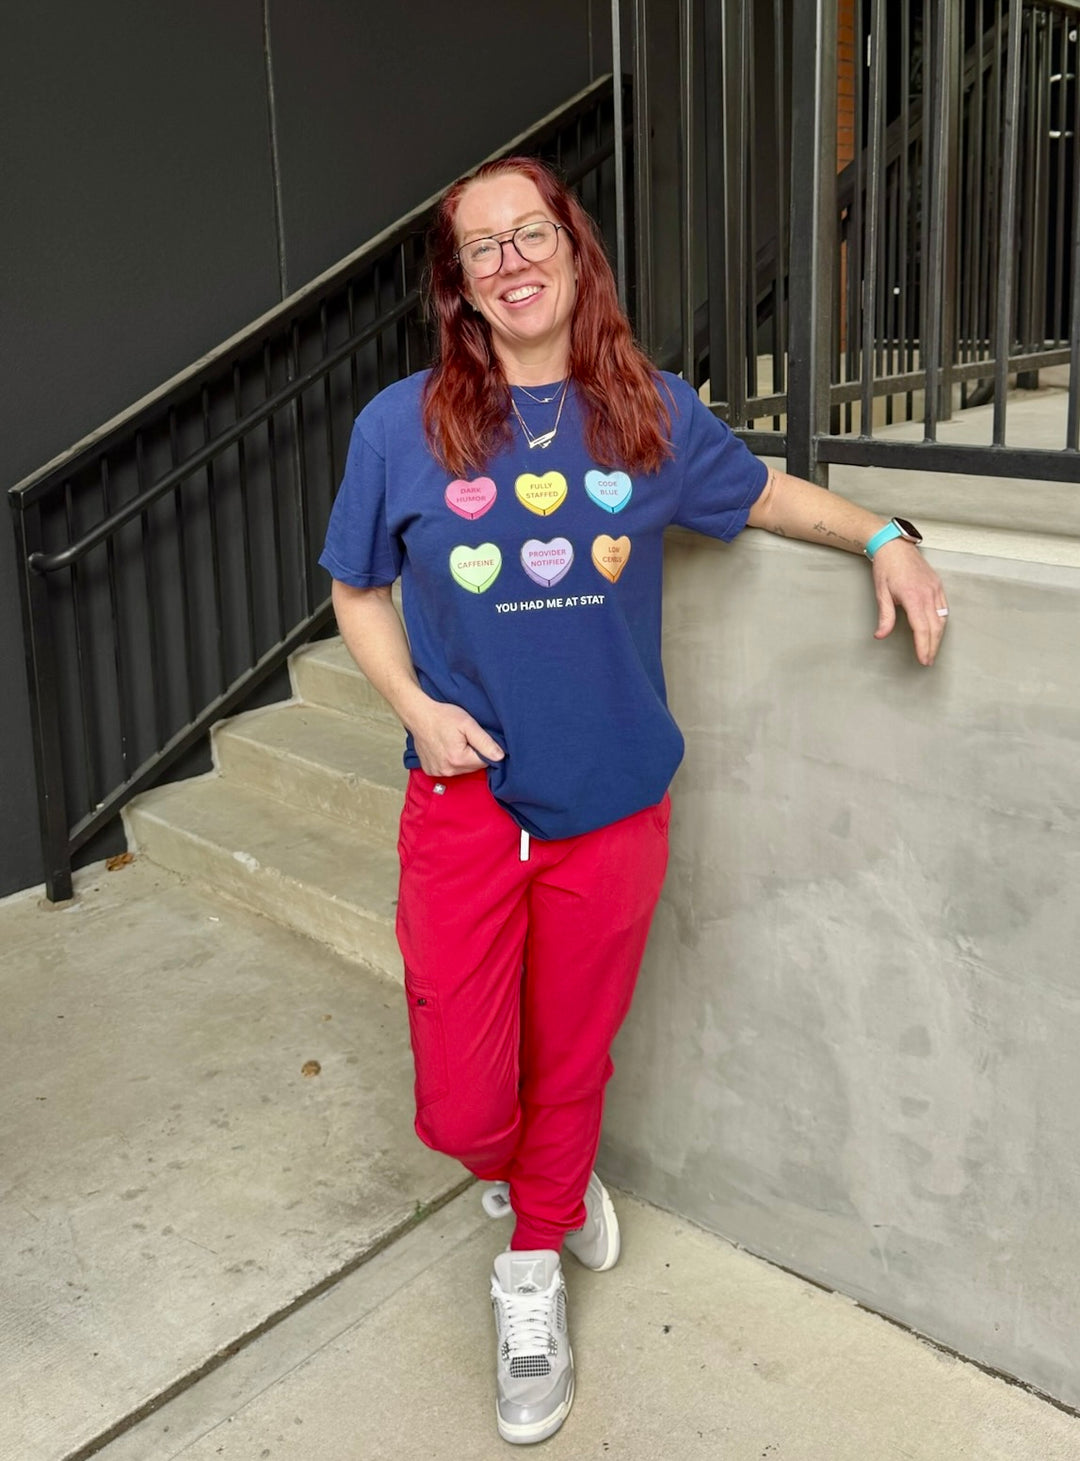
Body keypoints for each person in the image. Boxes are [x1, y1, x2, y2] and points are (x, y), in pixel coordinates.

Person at [319, 155, 947, 1445]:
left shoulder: (644, 412)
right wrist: (418, 713)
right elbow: (357, 590)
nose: (510, 259)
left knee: (572, 1054)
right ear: (460, 288)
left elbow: (765, 494)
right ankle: (535, 1176)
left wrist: (888, 536)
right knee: (461, 1103)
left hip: (613, 802)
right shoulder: (400, 426)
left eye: (529, 232)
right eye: (481, 248)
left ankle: (533, 1264)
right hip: (469, 805)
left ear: (573, 248)